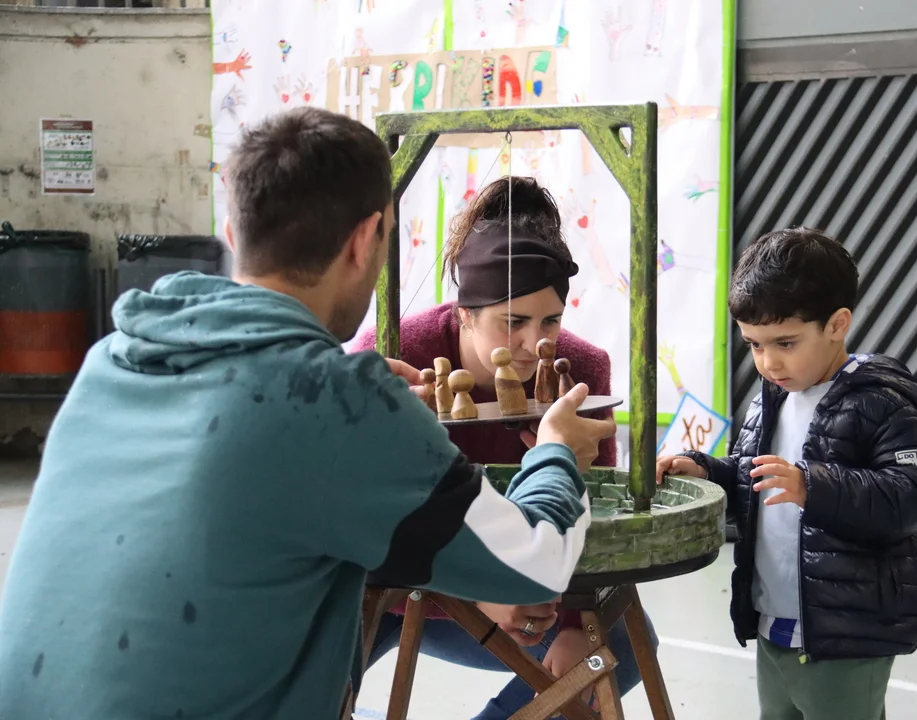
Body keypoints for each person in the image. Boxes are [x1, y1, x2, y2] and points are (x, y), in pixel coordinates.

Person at [0, 107, 616, 720]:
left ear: (233, 234)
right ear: (365, 240)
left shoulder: (112, 361)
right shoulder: (339, 401)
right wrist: (555, 450)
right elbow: (536, 562)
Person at [344, 176, 657, 719]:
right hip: (398, 586)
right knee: (314, 629)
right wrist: (476, 587)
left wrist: (573, 620)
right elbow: (356, 522)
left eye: (551, 320)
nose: (536, 342)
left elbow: (598, 519)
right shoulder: (394, 354)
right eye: (512, 322)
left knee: (622, 645)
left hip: (519, 597)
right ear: (464, 312)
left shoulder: (580, 371)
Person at [656, 227, 917, 720]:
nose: (768, 361)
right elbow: (758, 478)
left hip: (845, 631)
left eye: (785, 342)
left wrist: (813, 485)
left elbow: (911, 497)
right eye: (754, 345)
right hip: (775, 615)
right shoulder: (774, 398)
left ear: (837, 324)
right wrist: (708, 470)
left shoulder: (884, 404)